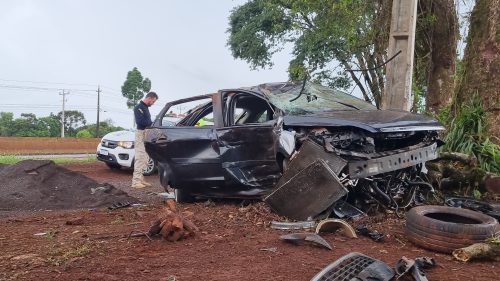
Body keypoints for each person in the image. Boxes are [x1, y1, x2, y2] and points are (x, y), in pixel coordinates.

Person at [131, 91, 158, 189]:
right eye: (153, 101)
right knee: (140, 157)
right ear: (150, 98)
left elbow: (146, 121)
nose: (153, 103)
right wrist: (151, 123)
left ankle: (141, 178)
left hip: (146, 134)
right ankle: (135, 181)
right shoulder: (139, 107)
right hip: (140, 134)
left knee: (146, 157)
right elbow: (140, 121)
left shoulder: (145, 108)